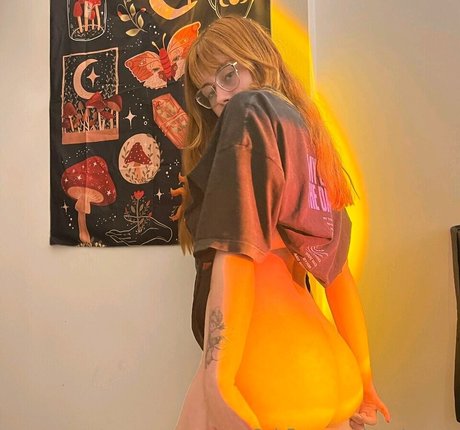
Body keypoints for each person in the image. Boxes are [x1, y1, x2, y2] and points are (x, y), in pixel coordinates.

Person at [172, 15, 390, 430]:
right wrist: (364, 379)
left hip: (270, 375)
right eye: (208, 92)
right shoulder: (308, 141)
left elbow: (235, 252)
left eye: (228, 75)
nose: (220, 98)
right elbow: (338, 275)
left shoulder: (249, 112)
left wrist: (217, 381)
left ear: (260, 62)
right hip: (328, 368)